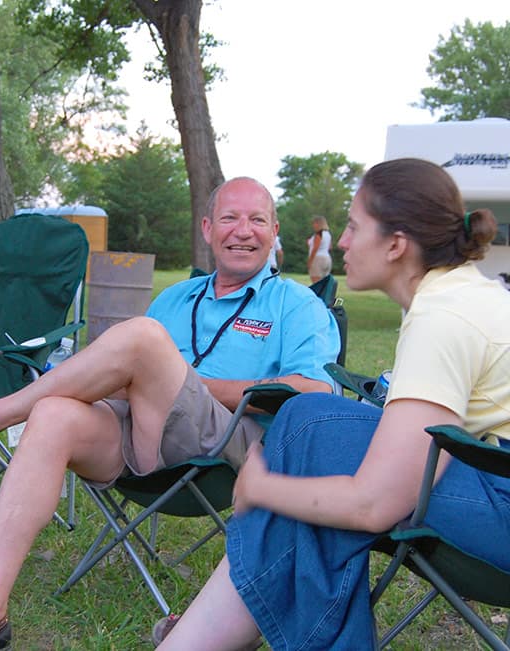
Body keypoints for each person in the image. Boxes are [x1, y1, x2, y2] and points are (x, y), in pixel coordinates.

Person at [0, 176, 341, 650]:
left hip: (228, 452)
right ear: (206, 228)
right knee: (54, 413)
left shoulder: (296, 304)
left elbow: (315, 390)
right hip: (143, 436)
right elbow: (130, 374)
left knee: (142, 339)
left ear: (275, 229)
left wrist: (194, 383)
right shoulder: (178, 297)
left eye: (257, 220)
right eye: (229, 218)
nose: (243, 230)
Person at [152, 158, 510, 650]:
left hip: (503, 503)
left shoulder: (444, 319)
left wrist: (262, 487)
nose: (338, 242)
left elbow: (374, 504)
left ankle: (200, 638)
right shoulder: (456, 295)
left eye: (353, 226)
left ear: (395, 244)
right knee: (307, 419)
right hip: (490, 471)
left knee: (312, 440)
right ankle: (198, 637)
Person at [306, 215, 332, 282]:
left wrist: (310, 261)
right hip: (327, 258)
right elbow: (329, 247)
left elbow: (315, 249)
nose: (313, 225)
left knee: (316, 283)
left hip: (317, 259)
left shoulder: (318, 234)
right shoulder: (328, 234)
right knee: (324, 283)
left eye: (314, 223)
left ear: (318, 223)